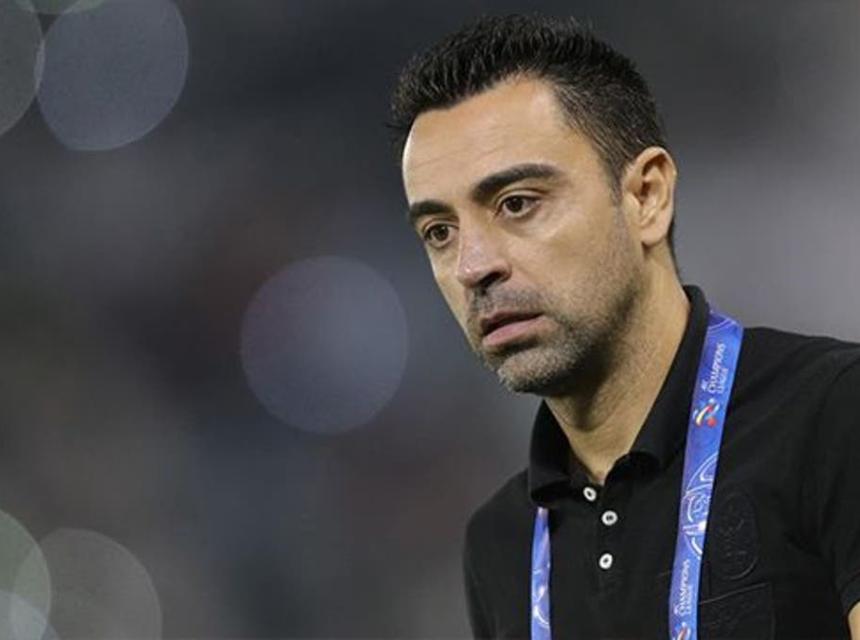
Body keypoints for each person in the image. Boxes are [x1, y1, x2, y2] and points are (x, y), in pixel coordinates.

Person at [387, 12, 860, 640]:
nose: (473, 266)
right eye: (439, 232)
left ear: (646, 196)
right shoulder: (500, 542)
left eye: (517, 203)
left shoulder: (833, 415)